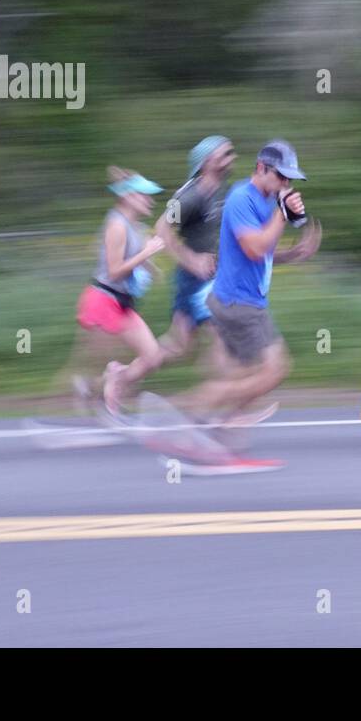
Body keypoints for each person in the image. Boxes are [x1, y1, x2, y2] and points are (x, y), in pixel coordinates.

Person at [170, 140, 321, 472]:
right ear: (261, 168)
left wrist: (292, 250)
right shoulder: (241, 198)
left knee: (245, 372)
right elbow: (254, 248)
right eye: (282, 176)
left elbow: (260, 253)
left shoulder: (266, 200)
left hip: (245, 300)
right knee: (274, 370)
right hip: (239, 303)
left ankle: (214, 434)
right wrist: (282, 215)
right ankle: (199, 412)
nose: (287, 184)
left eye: (291, 179)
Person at [68, 167, 167, 420]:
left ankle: (106, 384)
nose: (150, 200)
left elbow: (134, 260)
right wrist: (146, 254)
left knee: (152, 356)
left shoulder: (136, 226)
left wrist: (151, 266)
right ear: (129, 197)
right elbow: (114, 272)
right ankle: (94, 392)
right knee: (99, 361)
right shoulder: (117, 225)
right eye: (145, 195)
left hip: (123, 302)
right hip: (103, 300)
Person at [154, 136, 235, 367]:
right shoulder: (190, 195)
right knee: (224, 334)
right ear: (208, 161)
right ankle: (229, 400)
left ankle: (118, 377)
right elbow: (161, 229)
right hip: (195, 280)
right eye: (226, 154)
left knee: (180, 345)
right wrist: (192, 260)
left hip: (213, 277)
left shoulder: (222, 190)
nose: (233, 158)